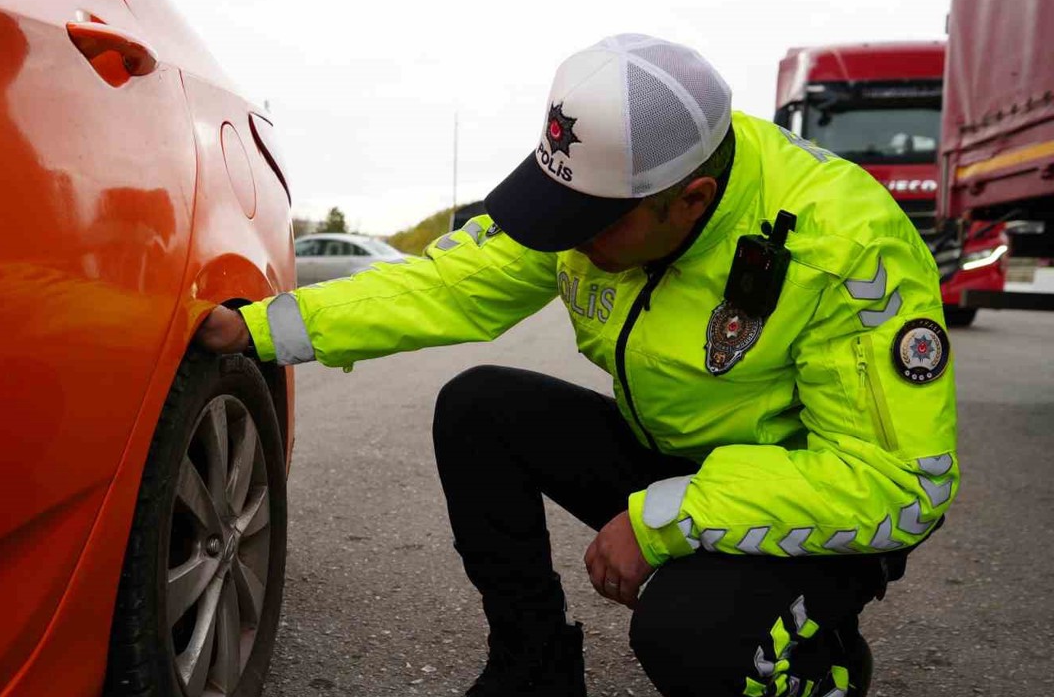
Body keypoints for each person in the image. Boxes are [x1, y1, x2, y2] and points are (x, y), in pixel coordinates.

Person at [199, 34, 958, 697]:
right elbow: (446, 284)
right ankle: (535, 669)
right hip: (673, 455)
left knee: (687, 639)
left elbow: (901, 483)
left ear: (690, 200)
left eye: (589, 225)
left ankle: (821, 664)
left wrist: (665, 517)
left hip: (805, 498)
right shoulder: (597, 198)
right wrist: (261, 329)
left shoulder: (848, 247)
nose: (566, 241)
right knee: (478, 408)